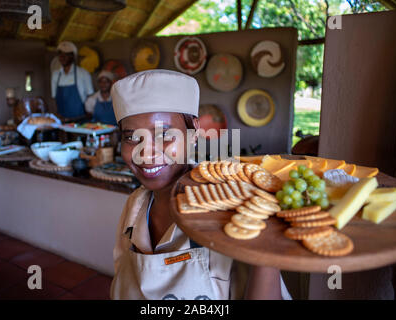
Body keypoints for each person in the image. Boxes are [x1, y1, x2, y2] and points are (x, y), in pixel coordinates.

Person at [109, 69, 291, 300]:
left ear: (194, 133)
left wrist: (266, 241)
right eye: (132, 137)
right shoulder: (134, 207)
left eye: (164, 134)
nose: (146, 152)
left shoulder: (231, 210)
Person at [51, 41, 94, 121]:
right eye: (60, 54)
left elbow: (90, 97)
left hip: (81, 119)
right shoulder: (56, 75)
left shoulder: (83, 74)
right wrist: (57, 115)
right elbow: (54, 98)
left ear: (73, 56)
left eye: (66, 54)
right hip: (62, 120)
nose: (62, 57)